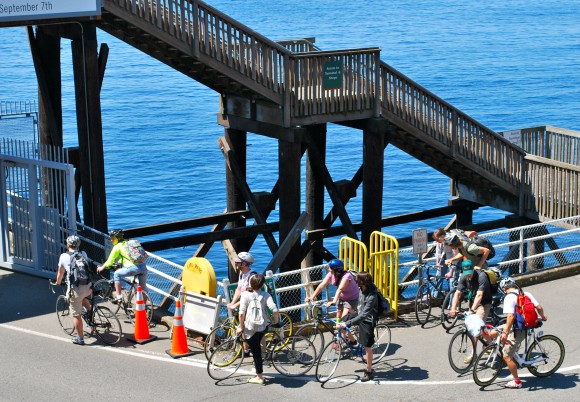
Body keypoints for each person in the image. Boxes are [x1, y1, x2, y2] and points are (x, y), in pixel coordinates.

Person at [494, 277, 548, 389]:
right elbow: (539, 307)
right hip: (524, 323)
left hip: (519, 328)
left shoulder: (509, 298)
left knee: (506, 356)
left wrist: (505, 333)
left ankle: (517, 382)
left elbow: (510, 316)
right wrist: (542, 317)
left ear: (504, 289)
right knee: (493, 332)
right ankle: (515, 348)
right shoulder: (526, 293)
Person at [236, 273, 279, 385]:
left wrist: (241, 327)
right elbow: (274, 309)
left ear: (251, 283)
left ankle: (259, 376)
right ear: (262, 284)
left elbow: (241, 314)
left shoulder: (245, 295)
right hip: (262, 326)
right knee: (256, 348)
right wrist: (275, 321)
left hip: (250, 327)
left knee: (256, 351)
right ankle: (257, 368)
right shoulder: (266, 295)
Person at [338, 272, 379, 382]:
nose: (355, 282)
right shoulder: (362, 289)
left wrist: (348, 323)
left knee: (367, 347)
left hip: (368, 320)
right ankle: (352, 341)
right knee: (343, 320)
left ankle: (369, 371)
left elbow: (364, 314)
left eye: (357, 280)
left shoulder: (372, 296)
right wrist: (347, 318)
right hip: (359, 314)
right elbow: (359, 305)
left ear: (362, 282)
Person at [55, 235, 92, 345]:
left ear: (67, 245)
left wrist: (57, 282)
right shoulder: (83, 254)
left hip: (76, 288)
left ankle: (80, 339)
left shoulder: (63, 256)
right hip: (89, 286)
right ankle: (91, 315)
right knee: (83, 297)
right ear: (78, 245)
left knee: (76, 315)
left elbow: (60, 273)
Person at [449, 260, 493, 351]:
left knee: (477, 328)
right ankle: (490, 343)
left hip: (484, 303)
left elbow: (479, 295)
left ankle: (473, 354)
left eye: (470, 273)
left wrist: (472, 310)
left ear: (473, 269)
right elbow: (457, 293)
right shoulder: (463, 276)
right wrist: (453, 308)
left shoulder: (481, 276)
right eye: (466, 273)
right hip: (473, 302)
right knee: (471, 326)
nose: (468, 275)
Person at [96, 229, 147, 303]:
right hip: (143, 266)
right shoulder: (128, 243)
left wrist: (102, 267)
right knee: (143, 287)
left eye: (112, 238)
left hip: (133, 268)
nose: (111, 240)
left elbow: (110, 261)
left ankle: (119, 297)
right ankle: (144, 306)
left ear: (117, 238)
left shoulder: (117, 247)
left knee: (117, 274)